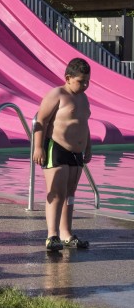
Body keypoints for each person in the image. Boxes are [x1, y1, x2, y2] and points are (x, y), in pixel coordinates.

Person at [32, 58, 92, 252]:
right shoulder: (57, 94)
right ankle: (52, 235)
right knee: (57, 193)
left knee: (70, 194)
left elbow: (84, 124)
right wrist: (38, 147)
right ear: (68, 78)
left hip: (76, 153)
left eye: (87, 81)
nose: (85, 85)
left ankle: (66, 233)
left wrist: (88, 147)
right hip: (56, 148)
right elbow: (40, 120)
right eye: (81, 81)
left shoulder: (83, 98)